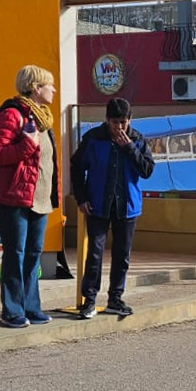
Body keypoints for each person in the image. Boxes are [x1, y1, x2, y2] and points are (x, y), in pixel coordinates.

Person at [0, 65, 59, 328]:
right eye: (49, 85)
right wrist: (27, 144)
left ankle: (31, 306)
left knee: (32, 254)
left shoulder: (43, 118)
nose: (54, 89)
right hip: (13, 198)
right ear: (36, 88)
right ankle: (12, 310)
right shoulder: (10, 114)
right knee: (15, 254)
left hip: (39, 198)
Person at [71, 97, 155, 320]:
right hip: (97, 205)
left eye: (123, 122)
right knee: (95, 254)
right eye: (115, 122)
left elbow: (147, 170)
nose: (119, 127)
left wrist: (128, 147)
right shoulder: (93, 139)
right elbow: (77, 167)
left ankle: (115, 299)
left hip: (127, 207)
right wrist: (81, 198)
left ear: (130, 120)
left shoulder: (137, 140)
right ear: (106, 120)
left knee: (122, 255)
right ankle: (89, 301)